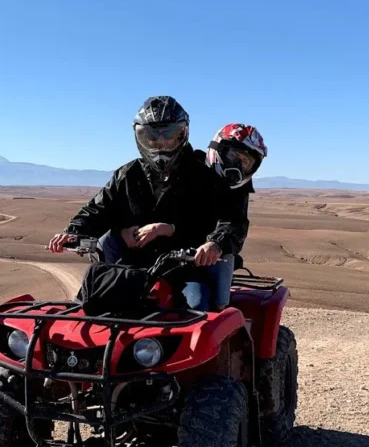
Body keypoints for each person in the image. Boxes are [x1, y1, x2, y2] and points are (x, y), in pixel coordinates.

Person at [47, 96, 248, 310]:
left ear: (182, 134)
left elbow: (231, 219)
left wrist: (214, 243)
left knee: (196, 308)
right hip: (133, 267)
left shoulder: (204, 175)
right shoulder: (128, 174)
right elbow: (98, 209)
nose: (160, 143)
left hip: (186, 269)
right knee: (88, 305)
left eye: (169, 135)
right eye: (151, 136)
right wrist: (74, 232)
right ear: (140, 137)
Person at [197, 123, 268, 309]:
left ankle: (220, 321)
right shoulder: (188, 167)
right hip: (169, 246)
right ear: (219, 149)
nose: (238, 165)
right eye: (233, 156)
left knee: (211, 303)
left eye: (245, 162)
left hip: (212, 252)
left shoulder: (239, 189)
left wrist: (217, 243)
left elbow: (236, 222)